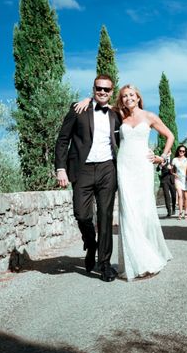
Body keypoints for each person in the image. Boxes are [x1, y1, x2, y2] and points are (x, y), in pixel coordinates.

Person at [73, 84, 174, 281]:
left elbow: (169, 135)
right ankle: (134, 262)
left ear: (138, 97)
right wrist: (87, 100)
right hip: (125, 167)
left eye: (131, 95)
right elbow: (100, 103)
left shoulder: (150, 116)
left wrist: (162, 157)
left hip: (143, 167)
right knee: (128, 212)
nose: (128, 98)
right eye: (124, 96)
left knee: (143, 211)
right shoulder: (119, 114)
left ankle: (145, 256)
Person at [55, 74, 122, 282]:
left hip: (107, 169)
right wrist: (60, 168)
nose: (102, 92)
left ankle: (104, 264)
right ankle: (90, 243)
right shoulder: (79, 109)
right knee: (82, 215)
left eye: (106, 89)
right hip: (82, 169)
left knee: (105, 216)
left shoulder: (115, 114)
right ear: (93, 89)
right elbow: (63, 139)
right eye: (98, 88)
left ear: (112, 92)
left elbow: (127, 135)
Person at [171, 144, 187, 220]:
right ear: (178, 151)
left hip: (185, 179)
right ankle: (180, 212)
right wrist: (174, 174)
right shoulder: (174, 159)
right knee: (179, 195)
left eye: (183, 151)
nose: (181, 152)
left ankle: (186, 212)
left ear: (185, 152)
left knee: (186, 197)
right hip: (178, 179)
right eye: (180, 150)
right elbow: (171, 170)